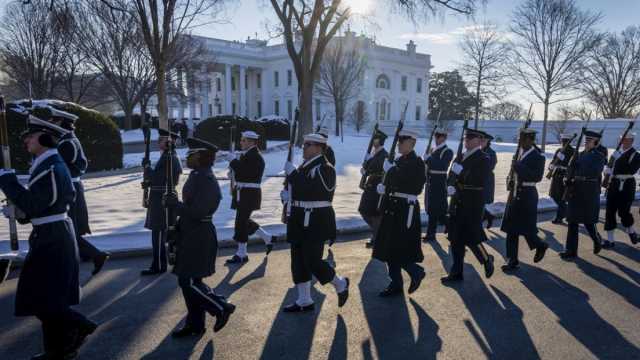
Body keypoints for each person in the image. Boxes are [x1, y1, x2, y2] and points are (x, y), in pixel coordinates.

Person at [0, 115, 97, 359]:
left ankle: (79, 325)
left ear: (44, 138)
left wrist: (9, 183)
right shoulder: (46, 164)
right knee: (43, 297)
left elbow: (36, 203)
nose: (26, 142)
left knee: (44, 299)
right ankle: (58, 349)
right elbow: (40, 206)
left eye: (30, 137)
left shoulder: (52, 166)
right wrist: (19, 212)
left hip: (54, 237)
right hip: (48, 233)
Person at [163, 137, 235, 337]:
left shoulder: (206, 179)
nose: (187, 158)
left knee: (190, 282)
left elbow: (199, 211)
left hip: (199, 234)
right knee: (189, 281)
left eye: (191, 155)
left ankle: (221, 307)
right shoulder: (197, 175)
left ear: (201, 157)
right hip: (190, 232)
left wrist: (175, 205)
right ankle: (195, 324)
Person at [281, 133, 349, 312]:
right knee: (298, 260)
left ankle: (340, 283)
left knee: (312, 260)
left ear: (319, 148)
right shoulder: (304, 167)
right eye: (303, 145)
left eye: (307, 145)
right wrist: (287, 196)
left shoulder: (326, 168)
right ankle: (304, 300)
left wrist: (293, 175)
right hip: (298, 217)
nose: (303, 148)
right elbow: (299, 189)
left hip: (316, 220)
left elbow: (314, 190)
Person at [41, 106, 110, 276]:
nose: (51, 124)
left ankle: (96, 255)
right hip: (72, 186)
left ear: (61, 123)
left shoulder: (66, 143)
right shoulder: (68, 140)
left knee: (68, 226)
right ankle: (87, 254)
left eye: (54, 121)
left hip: (69, 187)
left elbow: (60, 167)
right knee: (73, 224)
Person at [372, 129, 427, 296]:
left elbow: (413, 185)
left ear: (411, 143)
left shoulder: (418, 163)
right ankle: (395, 283)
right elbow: (394, 182)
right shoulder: (397, 160)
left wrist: (392, 172)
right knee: (388, 247)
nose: (399, 144)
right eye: (399, 141)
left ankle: (415, 271)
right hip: (392, 206)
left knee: (400, 247)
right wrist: (384, 186)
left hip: (405, 208)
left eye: (402, 142)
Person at [441, 129, 495, 283]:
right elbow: (450, 176)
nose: (467, 140)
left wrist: (461, 174)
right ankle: (456, 272)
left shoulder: (484, 158)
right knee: (455, 238)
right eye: (466, 138)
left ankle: (486, 260)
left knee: (471, 238)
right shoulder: (459, 156)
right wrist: (450, 184)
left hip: (472, 203)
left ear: (479, 141)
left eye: (471, 138)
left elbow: (479, 179)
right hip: (457, 201)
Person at [500, 129, 549, 272]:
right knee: (511, 229)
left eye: (522, 140)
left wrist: (518, 166)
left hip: (527, 194)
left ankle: (540, 245)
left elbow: (536, 177)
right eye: (519, 139)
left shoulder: (538, 156)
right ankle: (512, 260)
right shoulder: (520, 153)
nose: (520, 142)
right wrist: (510, 180)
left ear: (531, 140)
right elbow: (514, 172)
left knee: (527, 229)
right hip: (515, 193)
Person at [226, 131, 274, 264]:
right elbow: (241, 173)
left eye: (244, 140)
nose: (241, 142)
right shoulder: (247, 155)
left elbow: (246, 173)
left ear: (252, 142)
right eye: (241, 140)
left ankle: (242, 254)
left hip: (249, 194)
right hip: (243, 193)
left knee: (241, 222)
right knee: (244, 221)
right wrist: (233, 174)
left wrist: (234, 162)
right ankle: (267, 238)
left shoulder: (256, 156)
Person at [141, 129, 182, 275]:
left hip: (161, 199)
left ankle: (158, 265)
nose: (159, 142)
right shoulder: (167, 156)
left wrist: (147, 169)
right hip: (159, 196)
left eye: (162, 140)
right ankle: (159, 263)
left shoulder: (169, 157)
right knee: (159, 233)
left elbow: (160, 178)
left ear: (169, 142)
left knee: (158, 233)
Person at [561, 130, 606, 260]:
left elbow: (594, 171)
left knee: (588, 222)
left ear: (596, 142)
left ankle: (596, 239)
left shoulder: (599, 156)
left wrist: (578, 165)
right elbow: (570, 169)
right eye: (585, 140)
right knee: (572, 221)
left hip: (589, 190)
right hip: (576, 189)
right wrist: (568, 177)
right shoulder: (579, 154)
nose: (586, 142)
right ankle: (571, 250)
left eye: (589, 140)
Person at [602, 132, 640, 248]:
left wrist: (619, 160)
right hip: (614, 184)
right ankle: (610, 240)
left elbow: (631, 170)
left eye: (626, 140)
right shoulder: (616, 153)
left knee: (624, 212)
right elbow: (609, 167)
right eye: (622, 140)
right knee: (610, 211)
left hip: (627, 185)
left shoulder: (636, 155)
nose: (623, 142)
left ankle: (632, 232)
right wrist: (607, 171)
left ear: (631, 141)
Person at [358, 129, 388, 248]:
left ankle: (377, 238)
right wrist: (366, 165)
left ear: (379, 141)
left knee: (374, 214)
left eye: (375, 139)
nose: (373, 141)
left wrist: (368, 167)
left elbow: (377, 166)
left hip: (377, 186)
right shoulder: (375, 153)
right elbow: (369, 166)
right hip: (370, 185)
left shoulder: (384, 154)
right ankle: (378, 233)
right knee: (363, 210)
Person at [423, 128, 453, 242]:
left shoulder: (447, 151)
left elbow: (442, 166)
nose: (436, 139)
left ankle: (451, 229)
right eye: (436, 137)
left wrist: (429, 159)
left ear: (444, 138)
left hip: (439, 183)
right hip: (431, 182)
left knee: (439, 211)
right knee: (432, 210)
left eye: (439, 137)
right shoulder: (433, 150)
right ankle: (431, 234)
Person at [548, 134, 575, 224]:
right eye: (562, 140)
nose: (563, 142)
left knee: (562, 198)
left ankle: (560, 216)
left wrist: (564, 162)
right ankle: (566, 212)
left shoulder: (573, 151)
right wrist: (551, 166)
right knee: (554, 196)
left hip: (565, 176)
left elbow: (573, 165)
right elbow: (553, 161)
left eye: (564, 141)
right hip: (556, 174)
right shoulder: (559, 150)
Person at [316, 126, 337, 246]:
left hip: (326, 183)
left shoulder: (328, 151)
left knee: (327, 208)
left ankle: (331, 234)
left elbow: (330, 166)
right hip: (319, 183)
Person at [481, 134, 497, 228]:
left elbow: (491, 166)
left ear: (488, 142)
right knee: (479, 202)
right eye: (481, 140)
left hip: (486, 180)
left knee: (481, 201)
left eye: (484, 140)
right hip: (478, 180)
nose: (482, 142)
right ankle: (489, 216)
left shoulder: (491, 153)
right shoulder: (478, 150)